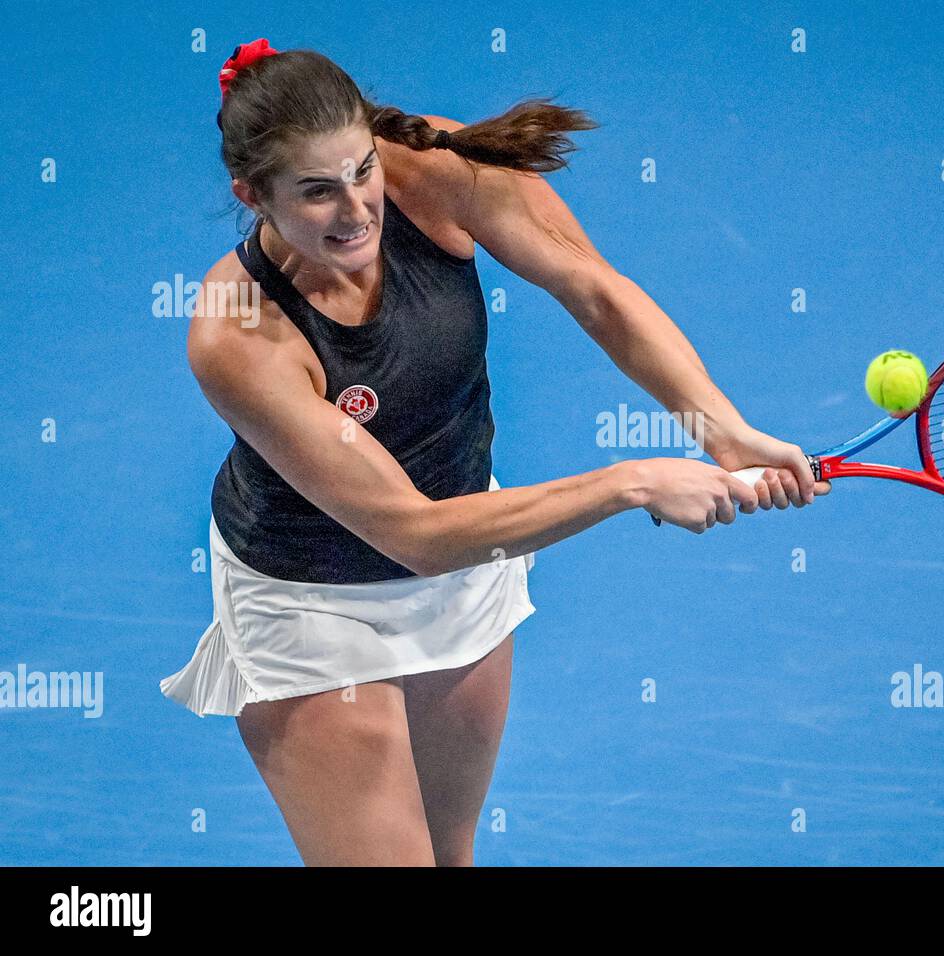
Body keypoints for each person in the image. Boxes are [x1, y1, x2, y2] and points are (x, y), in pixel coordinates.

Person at [161, 39, 831, 866]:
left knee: (451, 852)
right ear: (251, 195)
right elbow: (411, 531)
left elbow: (595, 289)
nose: (357, 207)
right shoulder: (237, 331)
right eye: (317, 191)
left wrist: (719, 429)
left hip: (469, 562)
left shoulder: (429, 170)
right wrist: (631, 480)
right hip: (313, 599)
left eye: (362, 169)